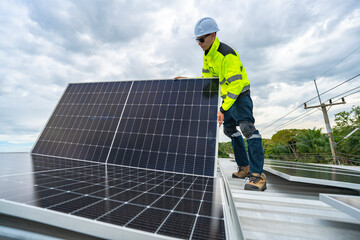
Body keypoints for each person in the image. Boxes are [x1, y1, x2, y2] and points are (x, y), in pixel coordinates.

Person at [175, 17, 266, 191]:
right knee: (230, 130)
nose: (199, 43)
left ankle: (258, 175)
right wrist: (189, 81)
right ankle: (244, 167)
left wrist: (222, 109)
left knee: (248, 130)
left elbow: (236, 85)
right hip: (228, 98)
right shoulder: (208, 56)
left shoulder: (226, 55)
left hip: (240, 96)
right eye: (197, 40)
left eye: (202, 39)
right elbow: (209, 80)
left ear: (213, 35)